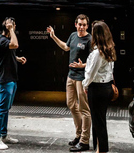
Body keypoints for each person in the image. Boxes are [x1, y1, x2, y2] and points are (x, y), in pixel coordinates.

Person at [47, 14, 91, 152]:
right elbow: (66, 47)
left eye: (84, 25)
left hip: (82, 78)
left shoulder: (89, 39)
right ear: (75, 24)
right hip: (70, 76)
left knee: (84, 109)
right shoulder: (73, 35)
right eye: (80, 24)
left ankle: (84, 141)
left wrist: (82, 66)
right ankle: (78, 135)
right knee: (71, 104)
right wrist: (53, 36)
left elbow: (93, 61)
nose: (82, 27)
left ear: (87, 26)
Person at [0, 17, 27, 150]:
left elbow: (8, 52)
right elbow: (15, 45)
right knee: (2, 109)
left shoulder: (4, 40)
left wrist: (16, 58)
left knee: (6, 109)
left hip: (11, 78)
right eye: (11, 25)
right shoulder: (0, 39)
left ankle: (4, 135)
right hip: (5, 80)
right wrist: (11, 29)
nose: (13, 27)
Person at [81, 21, 117, 153]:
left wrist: (85, 85)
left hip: (97, 88)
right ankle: (98, 148)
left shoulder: (98, 53)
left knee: (98, 122)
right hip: (106, 87)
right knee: (99, 120)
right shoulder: (109, 49)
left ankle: (101, 150)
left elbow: (91, 73)